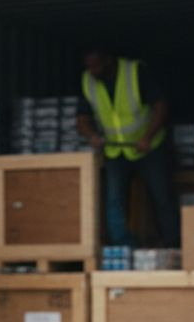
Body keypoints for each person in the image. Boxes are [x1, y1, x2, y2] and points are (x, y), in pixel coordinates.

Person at [76, 47, 180, 248]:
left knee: (162, 196)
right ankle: (123, 248)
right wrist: (92, 136)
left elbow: (160, 106)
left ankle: (173, 243)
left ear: (108, 60)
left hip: (148, 147)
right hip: (116, 150)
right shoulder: (88, 81)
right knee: (114, 200)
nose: (93, 72)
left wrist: (148, 137)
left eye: (96, 66)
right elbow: (81, 120)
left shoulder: (135, 72)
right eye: (89, 67)